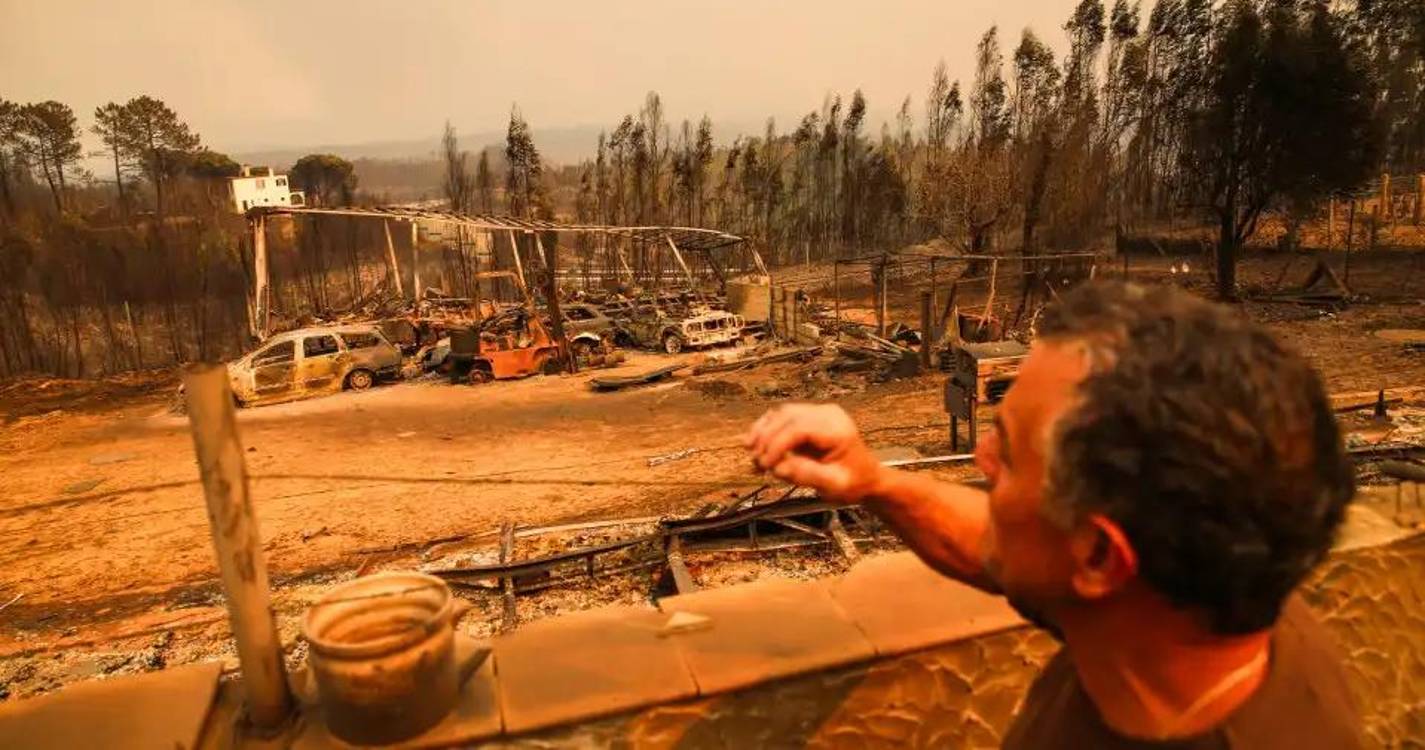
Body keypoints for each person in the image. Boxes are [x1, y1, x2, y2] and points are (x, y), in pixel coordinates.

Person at [743, 281, 1360, 748]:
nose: (980, 456)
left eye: (1006, 455)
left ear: (1097, 556)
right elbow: (1004, 543)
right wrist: (874, 480)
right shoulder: (1207, 598)